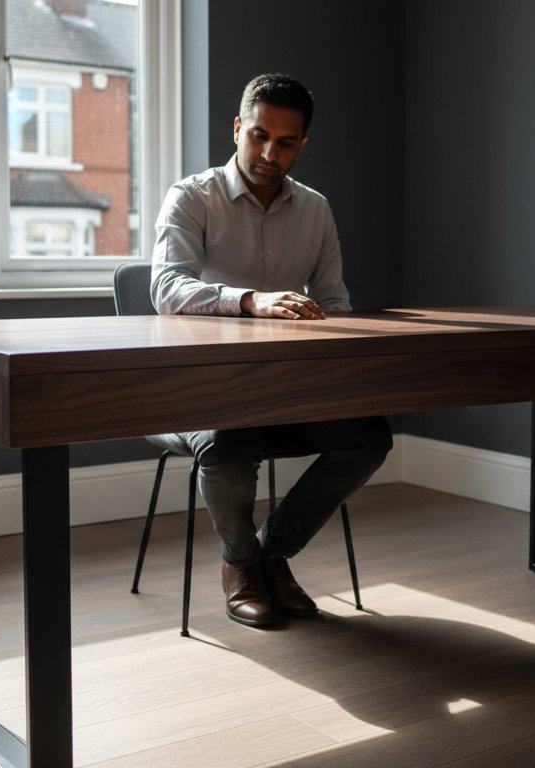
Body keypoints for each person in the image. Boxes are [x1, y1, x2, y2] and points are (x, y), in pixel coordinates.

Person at [149, 73, 392, 628]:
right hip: (202, 389)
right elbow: (166, 289)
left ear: (302, 144)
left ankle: (270, 553)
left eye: (285, 142)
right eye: (259, 135)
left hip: (287, 388)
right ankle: (240, 567)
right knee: (228, 446)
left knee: (368, 437)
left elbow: (335, 302)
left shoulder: (316, 209)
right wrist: (249, 300)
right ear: (237, 128)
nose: (268, 153)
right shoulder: (191, 197)